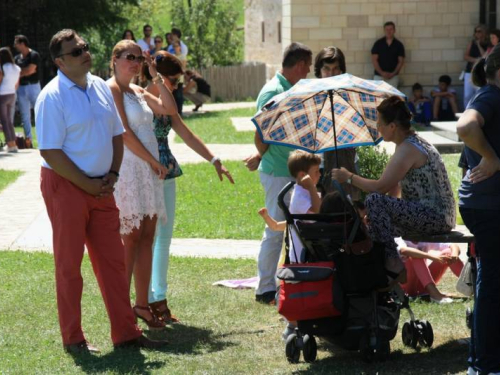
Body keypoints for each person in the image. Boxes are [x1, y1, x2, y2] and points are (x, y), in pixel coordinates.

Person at [34, 29, 166, 353]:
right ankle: (74, 339)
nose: (84, 53)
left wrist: (113, 173)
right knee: (69, 265)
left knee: (113, 262)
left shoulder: (99, 87)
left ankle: (126, 333)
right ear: (59, 62)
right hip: (65, 186)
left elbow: (116, 135)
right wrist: (88, 183)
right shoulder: (51, 96)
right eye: (76, 51)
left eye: (85, 47)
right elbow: (50, 151)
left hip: (103, 185)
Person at [144, 51, 234, 322]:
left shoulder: (166, 100)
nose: (177, 86)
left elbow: (185, 132)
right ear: (157, 75)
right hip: (144, 171)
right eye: (173, 80)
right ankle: (144, 299)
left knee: (164, 239)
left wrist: (214, 159)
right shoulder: (137, 97)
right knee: (146, 240)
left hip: (166, 169)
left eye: (178, 82)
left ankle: (159, 298)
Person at [332, 96, 456, 282]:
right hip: (435, 215)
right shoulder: (410, 144)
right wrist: (378, 214)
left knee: (373, 200)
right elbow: (394, 186)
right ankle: (378, 281)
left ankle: (392, 262)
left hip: (435, 216)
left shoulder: (408, 149)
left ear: (392, 127)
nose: (377, 128)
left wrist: (349, 177)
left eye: (380, 124)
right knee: (372, 226)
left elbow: (381, 187)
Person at [107, 40, 176, 331]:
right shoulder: (111, 89)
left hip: (150, 169)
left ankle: (142, 304)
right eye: (129, 57)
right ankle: (122, 309)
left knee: (148, 235)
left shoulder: (138, 90)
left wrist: (155, 75)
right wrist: (152, 160)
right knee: (131, 237)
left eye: (139, 58)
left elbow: (169, 109)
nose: (134, 63)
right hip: (130, 168)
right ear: (115, 60)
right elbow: (123, 133)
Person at [244, 42, 313, 305]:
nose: (308, 71)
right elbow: (260, 134)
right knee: (274, 231)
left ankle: (290, 280)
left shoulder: (291, 89)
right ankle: (264, 289)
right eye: (307, 66)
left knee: (295, 229)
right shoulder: (274, 91)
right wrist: (262, 155)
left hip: (291, 172)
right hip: (278, 173)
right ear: (298, 65)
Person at [456, 43, 500, 375]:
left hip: (484, 205)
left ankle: (480, 362)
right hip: (488, 208)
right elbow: (465, 127)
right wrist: (491, 157)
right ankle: (485, 364)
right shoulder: (491, 96)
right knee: (492, 285)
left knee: (490, 281)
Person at [314, 46, 359, 199]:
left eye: (335, 69)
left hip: (347, 164)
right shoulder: (310, 97)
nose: (331, 74)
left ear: (342, 71)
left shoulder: (351, 96)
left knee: (349, 213)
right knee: (323, 217)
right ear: (319, 72)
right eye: (326, 69)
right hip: (318, 166)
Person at [395, 238, 463, 303]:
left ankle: (470, 284)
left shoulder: (423, 238)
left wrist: (454, 254)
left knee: (448, 252)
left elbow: (453, 245)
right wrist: (431, 257)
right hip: (404, 286)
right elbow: (403, 250)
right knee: (416, 255)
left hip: (422, 286)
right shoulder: (398, 237)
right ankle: (435, 294)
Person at [14, 34, 41, 149]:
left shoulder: (34, 55)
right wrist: (23, 71)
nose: (15, 45)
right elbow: (24, 71)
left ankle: (43, 140)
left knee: (39, 112)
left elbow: (31, 70)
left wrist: (19, 72)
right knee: (25, 116)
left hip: (33, 86)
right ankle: (28, 142)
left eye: (16, 43)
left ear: (22, 44)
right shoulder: (16, 58)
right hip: (21, 88)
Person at [371, 21, 405, 88]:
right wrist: (382, 73)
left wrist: (393, 73)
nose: (388, 31)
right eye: (387, 29)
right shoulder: (378, 44)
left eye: (391, 29)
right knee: (379, 97)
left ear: (394, 30)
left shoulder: (399, 45)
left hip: (393, 77)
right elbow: (374, 60)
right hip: (379, 76)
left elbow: (401, 61)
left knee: (392, 97)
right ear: (384, 30)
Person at [0, 47, 21, 152]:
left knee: (4, 121)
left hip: (2, 95)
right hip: (12, 94)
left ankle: (10, 144)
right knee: (9, 121)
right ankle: (13, 143)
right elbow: (17, 83)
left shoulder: (2, 67)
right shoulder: (16, 67)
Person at [463, 25, 489, 108]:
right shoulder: (472, 43)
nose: (477, 33)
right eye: (476, 31)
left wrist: (479, 45)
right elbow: (466, 57)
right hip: (469, 71)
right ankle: (466, 111)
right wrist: (476, 60)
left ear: (484, 32)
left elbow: (484, 56)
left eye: (479, 31)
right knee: (467, 95)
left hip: (481, 73)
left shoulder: (488, 44)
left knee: (479, 93)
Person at [167, 28, 188, 115]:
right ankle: (174, 112)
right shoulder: (172, 54)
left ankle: (180, 111)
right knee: (173, 95)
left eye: (177, 46)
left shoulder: (183, 53)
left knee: (179, 94)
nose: (175, 47)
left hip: (179, 77)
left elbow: (183, 67)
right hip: (172, 76)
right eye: (174, 46)